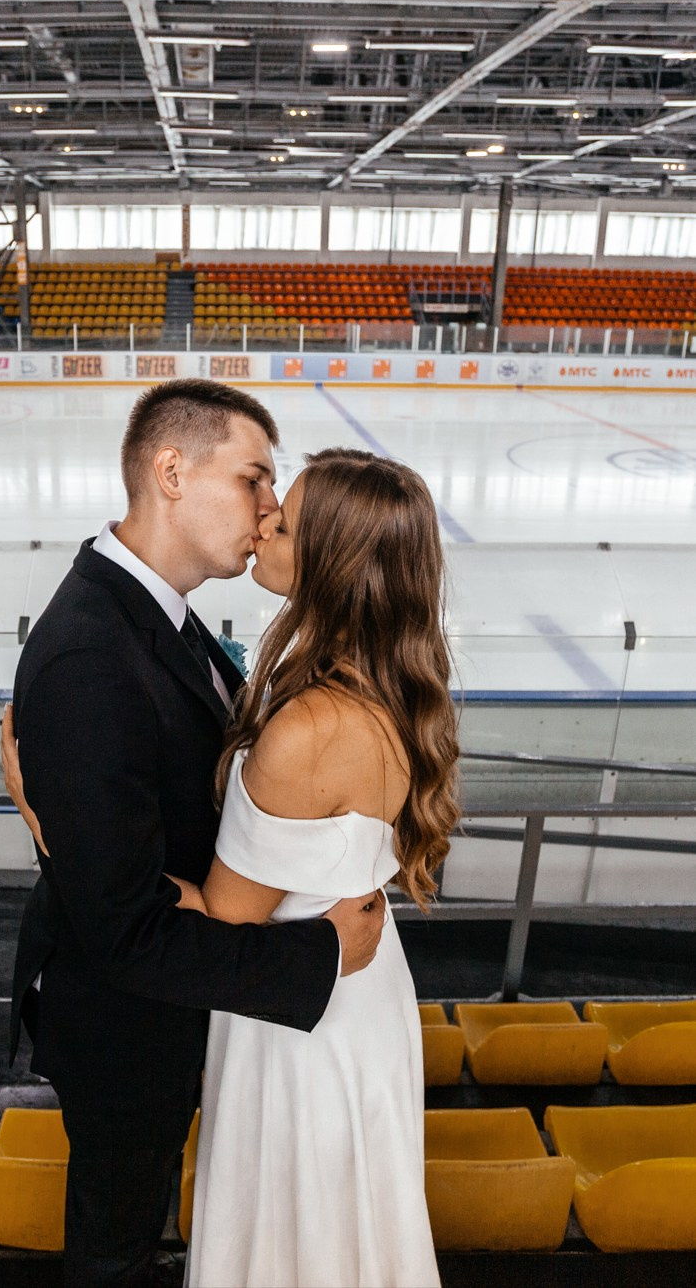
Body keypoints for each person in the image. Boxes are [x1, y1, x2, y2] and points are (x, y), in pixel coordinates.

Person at [2, 379, 385, 1288]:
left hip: (183, 994)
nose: (268, 509)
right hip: (125, 1023)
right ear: (171, 471)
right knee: (116, 1243)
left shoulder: (160, 616)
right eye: (254, 479)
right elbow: (127, 931)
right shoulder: (93, 655)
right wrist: (320, 956)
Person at [168, 449, 460, 1287]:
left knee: (296, 1241)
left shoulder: (315, 730)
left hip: (299, 1023)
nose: (262, 523)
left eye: (285, 522)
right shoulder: (380, 687)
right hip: (351, 1000)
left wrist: (67, 836)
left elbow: (225, 920)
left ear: (330, 565)